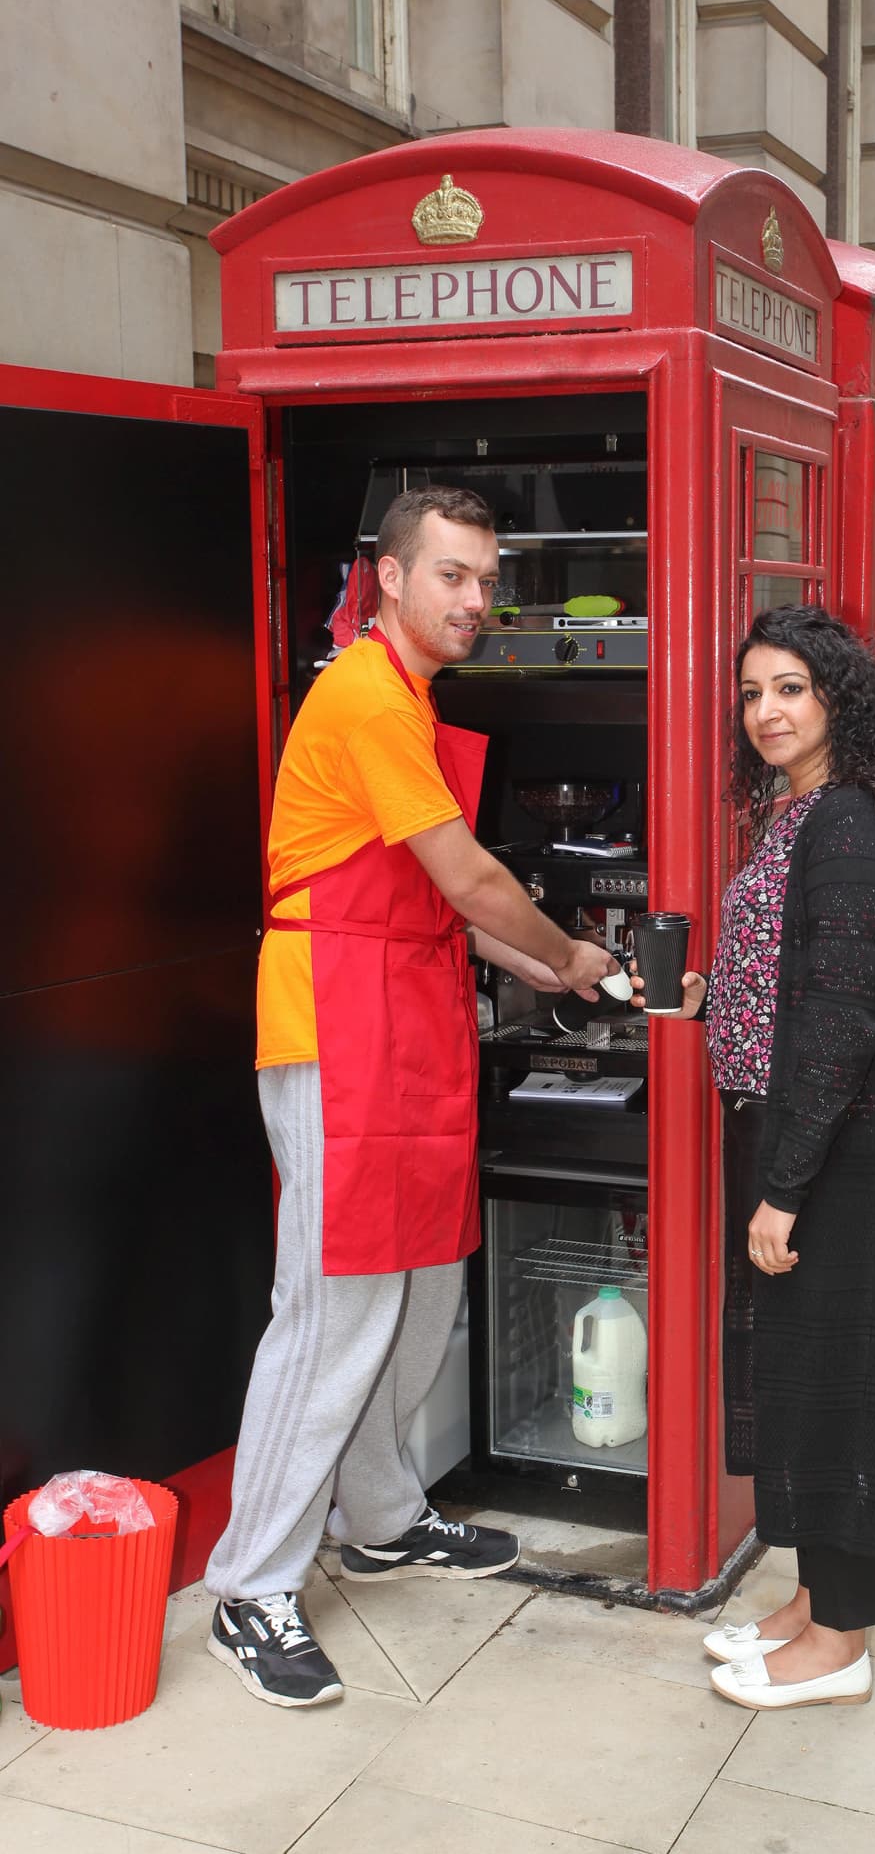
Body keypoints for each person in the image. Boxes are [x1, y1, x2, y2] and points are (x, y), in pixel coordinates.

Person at [205, 486, 617, 1708]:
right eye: (450, 574)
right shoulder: (363, 694)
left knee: (422, 1279)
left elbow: (445, 909)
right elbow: (473, 879)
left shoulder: (406, 698)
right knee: (332, 1308)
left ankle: (378, 1514)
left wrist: (560, 964)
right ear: (386, 576)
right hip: (338, 1023)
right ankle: (249, 1585)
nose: (474, 600)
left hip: (403, 1014)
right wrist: (564, 949)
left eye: (486, 578)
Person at [635, 604, 875, 1712]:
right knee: (803, 1375)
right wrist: (704, 995)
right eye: (752, 691)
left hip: (831, 1152)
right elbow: (794, 975)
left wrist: (783, 1186)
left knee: (836, 1384)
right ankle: (811, 1604)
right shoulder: (811, 808)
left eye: (790, 690)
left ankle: (842, 1638)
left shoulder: (850, 822)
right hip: (796, 1128)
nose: (764, 711)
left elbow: (839, 1018)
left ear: (838, 698)